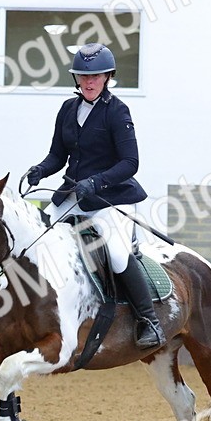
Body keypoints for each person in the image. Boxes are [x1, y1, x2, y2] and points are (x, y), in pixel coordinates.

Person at [21, 42, 166, 350]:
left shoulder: (117, 111)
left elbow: (130, 162)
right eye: (83, 77)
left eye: (96, 76)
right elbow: (57, 155)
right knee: (37, 240)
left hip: (111, 197)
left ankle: (148, 320)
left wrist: (96, 182)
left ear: (107, 77)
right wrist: (40, 170)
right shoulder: (67, 109)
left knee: (114, 253)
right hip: (73, 192)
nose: (89, 82)